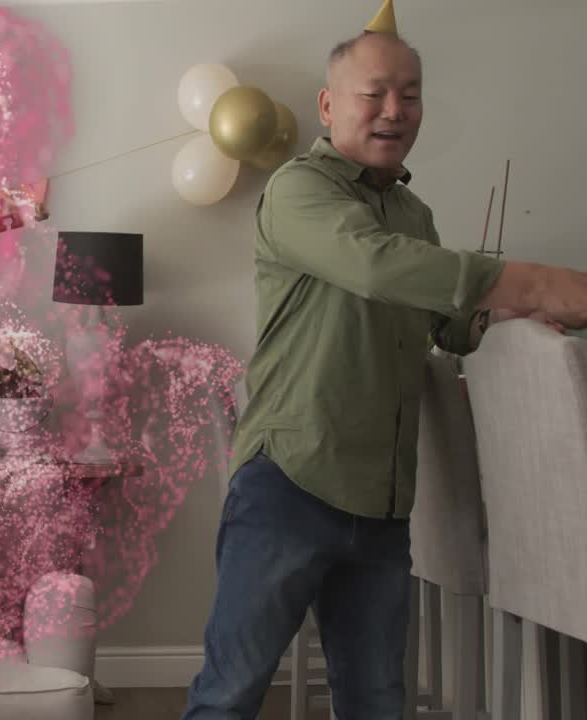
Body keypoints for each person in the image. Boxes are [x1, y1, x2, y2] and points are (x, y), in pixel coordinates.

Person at [181, 2, 587, 718]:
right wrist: (530, 278)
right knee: (230, 693)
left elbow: (446, 323)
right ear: (329, 105)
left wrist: (508, 313)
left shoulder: (414, 215)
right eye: (374, 94)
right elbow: (375, 268)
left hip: (383, 501)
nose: (394, 110)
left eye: (410, 94)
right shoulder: (297, 191)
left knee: (376, 699)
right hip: (291, 480)